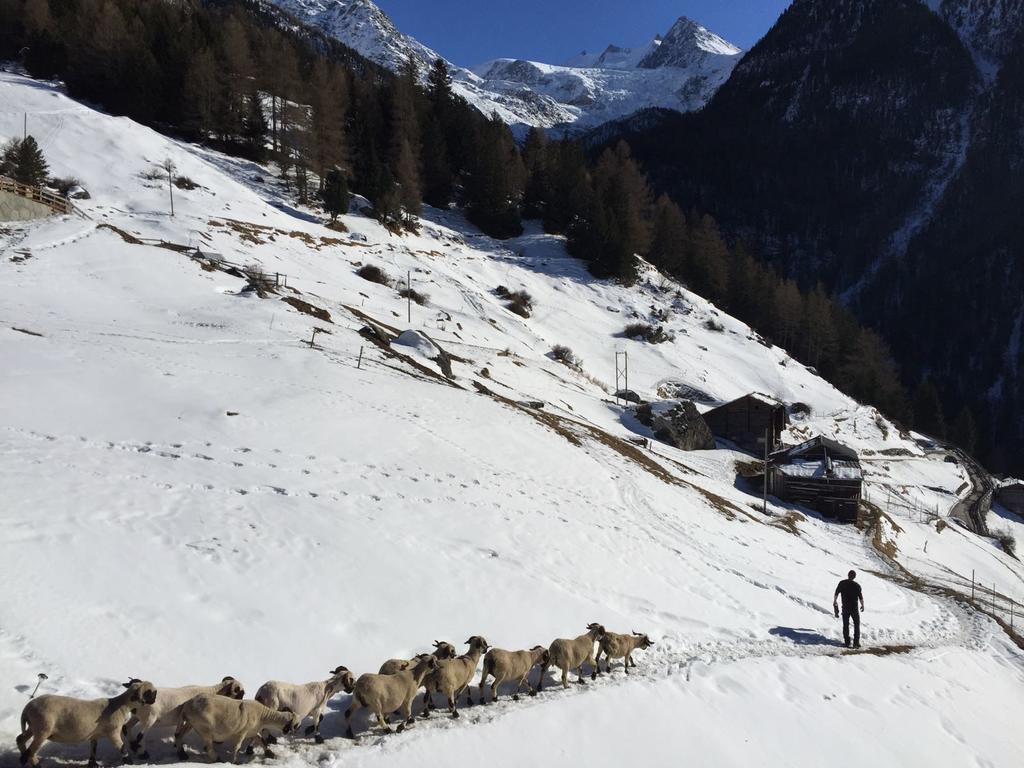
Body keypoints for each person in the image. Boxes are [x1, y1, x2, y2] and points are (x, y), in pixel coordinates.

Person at [833, 570, 864, 648]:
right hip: (854, 608)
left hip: (845, 607)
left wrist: (835, 601)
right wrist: (862, 605)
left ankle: (847, 642)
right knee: (856, 624)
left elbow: (836, 593)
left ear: (848, 575)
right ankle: (856, 643)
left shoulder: (842, 583)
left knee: (845, 625)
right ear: (854, 577)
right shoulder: (857, 585)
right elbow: (860, 597)